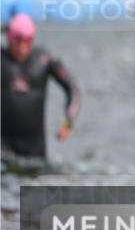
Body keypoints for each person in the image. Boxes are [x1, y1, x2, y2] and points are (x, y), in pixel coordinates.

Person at [1, 13, 81, 162]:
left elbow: (73, 90)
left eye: (28, 40)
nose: (23, 46)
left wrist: (68, 121)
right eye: (18, 39)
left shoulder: (44, 59)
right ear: (9, 37)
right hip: (4, 154)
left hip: (35, 155)